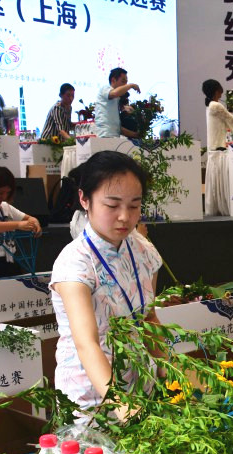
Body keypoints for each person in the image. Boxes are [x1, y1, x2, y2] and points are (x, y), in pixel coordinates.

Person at [50, 151, 163, 414]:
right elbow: (86, 343)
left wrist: (172, 370)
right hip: (92, 395)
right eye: (112, 206)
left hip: (140, 385)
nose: (125, 216)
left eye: (134, 205)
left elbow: (149, 319)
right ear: (84, 199)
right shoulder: (75, 263)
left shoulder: (143, 251)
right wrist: (117, 401)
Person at [203, 78, 233, 216]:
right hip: (219, 148)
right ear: (217, 90)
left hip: (216, 147)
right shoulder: (216, 106)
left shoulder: (212, 105)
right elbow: (231, 119)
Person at [94, 67, 140, 138]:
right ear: (113, 80)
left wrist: (135, 134)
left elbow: (118, 127)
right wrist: (131, 85)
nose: (125, 84)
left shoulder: (117, 99)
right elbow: (114, 93)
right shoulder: (105, 88)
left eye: (126, 82)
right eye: (123, 81)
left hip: (114, 135)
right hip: (105, 134)